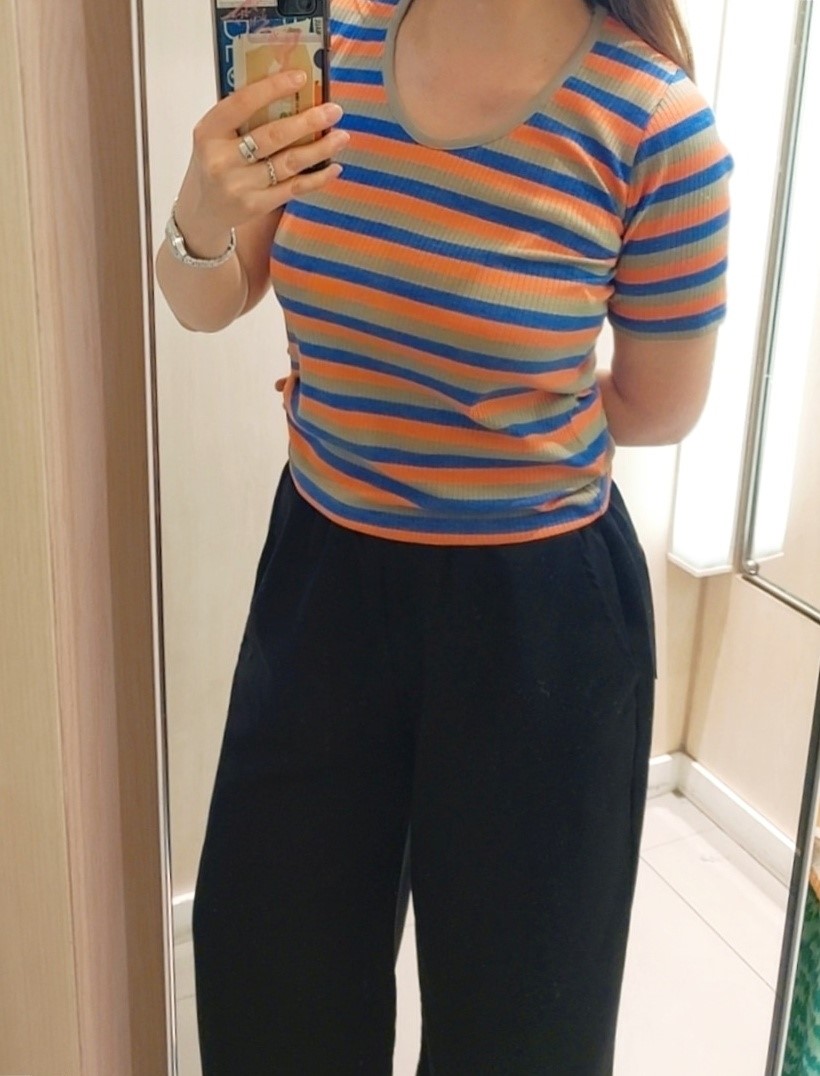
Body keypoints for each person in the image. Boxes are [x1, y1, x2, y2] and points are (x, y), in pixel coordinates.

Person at [156, 0, 731, 1071]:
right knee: (269, 979)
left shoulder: (654, 124)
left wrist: (482, 443)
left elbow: (660, 405)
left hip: (539, 616)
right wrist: (200, 211)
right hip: (323, 582)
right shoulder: (330, 57)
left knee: (521, 1025)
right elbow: (209, 299)